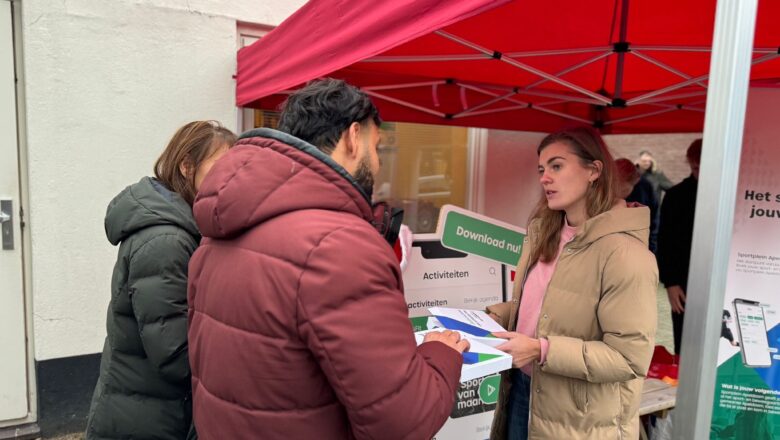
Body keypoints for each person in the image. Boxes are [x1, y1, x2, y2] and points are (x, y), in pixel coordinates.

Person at [187, 79, 468, 439]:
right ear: (353, 137)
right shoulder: (339, 246)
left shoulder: (218, 233)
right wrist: (440, 354)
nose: (379, 164)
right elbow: (403, 421)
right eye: (377, 147)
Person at [486, 127, 658, 440]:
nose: (544, 178)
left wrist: (542, 350)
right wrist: (498, 316)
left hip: (581, 421)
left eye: (556, 166)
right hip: (523, 390)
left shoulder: (626, 254)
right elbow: (547, 311)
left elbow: (628, 358)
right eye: (541, 169)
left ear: (593, 170)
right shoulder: (544, 233)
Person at [86, 121, 236, 440]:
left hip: (150, 408)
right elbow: (174, 353)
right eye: (220, 167)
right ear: (186, 166)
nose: (229, 179)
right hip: (148, 419)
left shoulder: (183, 226)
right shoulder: (165, 240)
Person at [657, 139, 702, 356]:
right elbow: (665, 241)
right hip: (683, 280)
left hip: (722, 281)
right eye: (695, 168)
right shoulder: (676, 196)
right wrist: (671, 282)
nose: (701, 173)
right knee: (686, 346)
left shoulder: (732, 194)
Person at [615, 158, 659, 252]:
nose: (616, 194)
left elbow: (653, 223)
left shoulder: (645, 189)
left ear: (635, 181)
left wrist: (650, 250)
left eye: (622, 190)